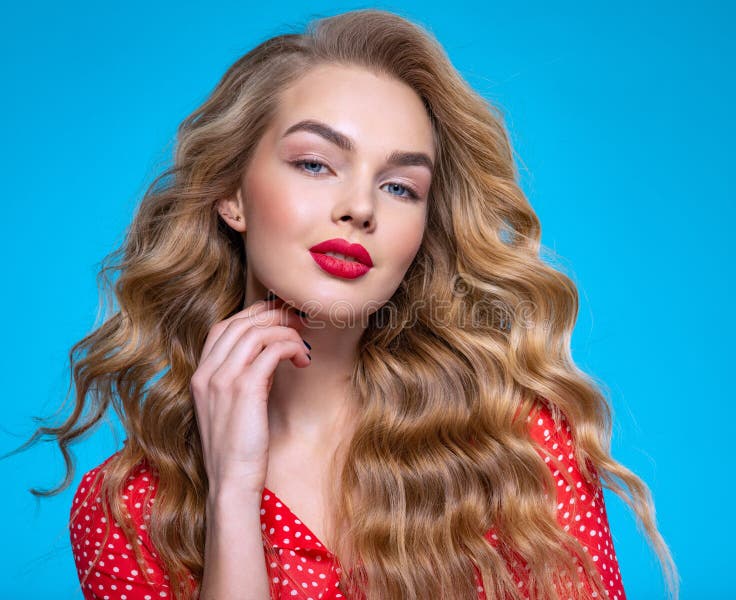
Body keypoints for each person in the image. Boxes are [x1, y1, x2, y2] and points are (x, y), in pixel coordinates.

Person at [16, 8, 679, 600]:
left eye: (399, 187)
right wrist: (234, 497)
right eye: (314, 163)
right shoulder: (128, 506)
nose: (359, 207)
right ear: (234, 196)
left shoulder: (518, 447)